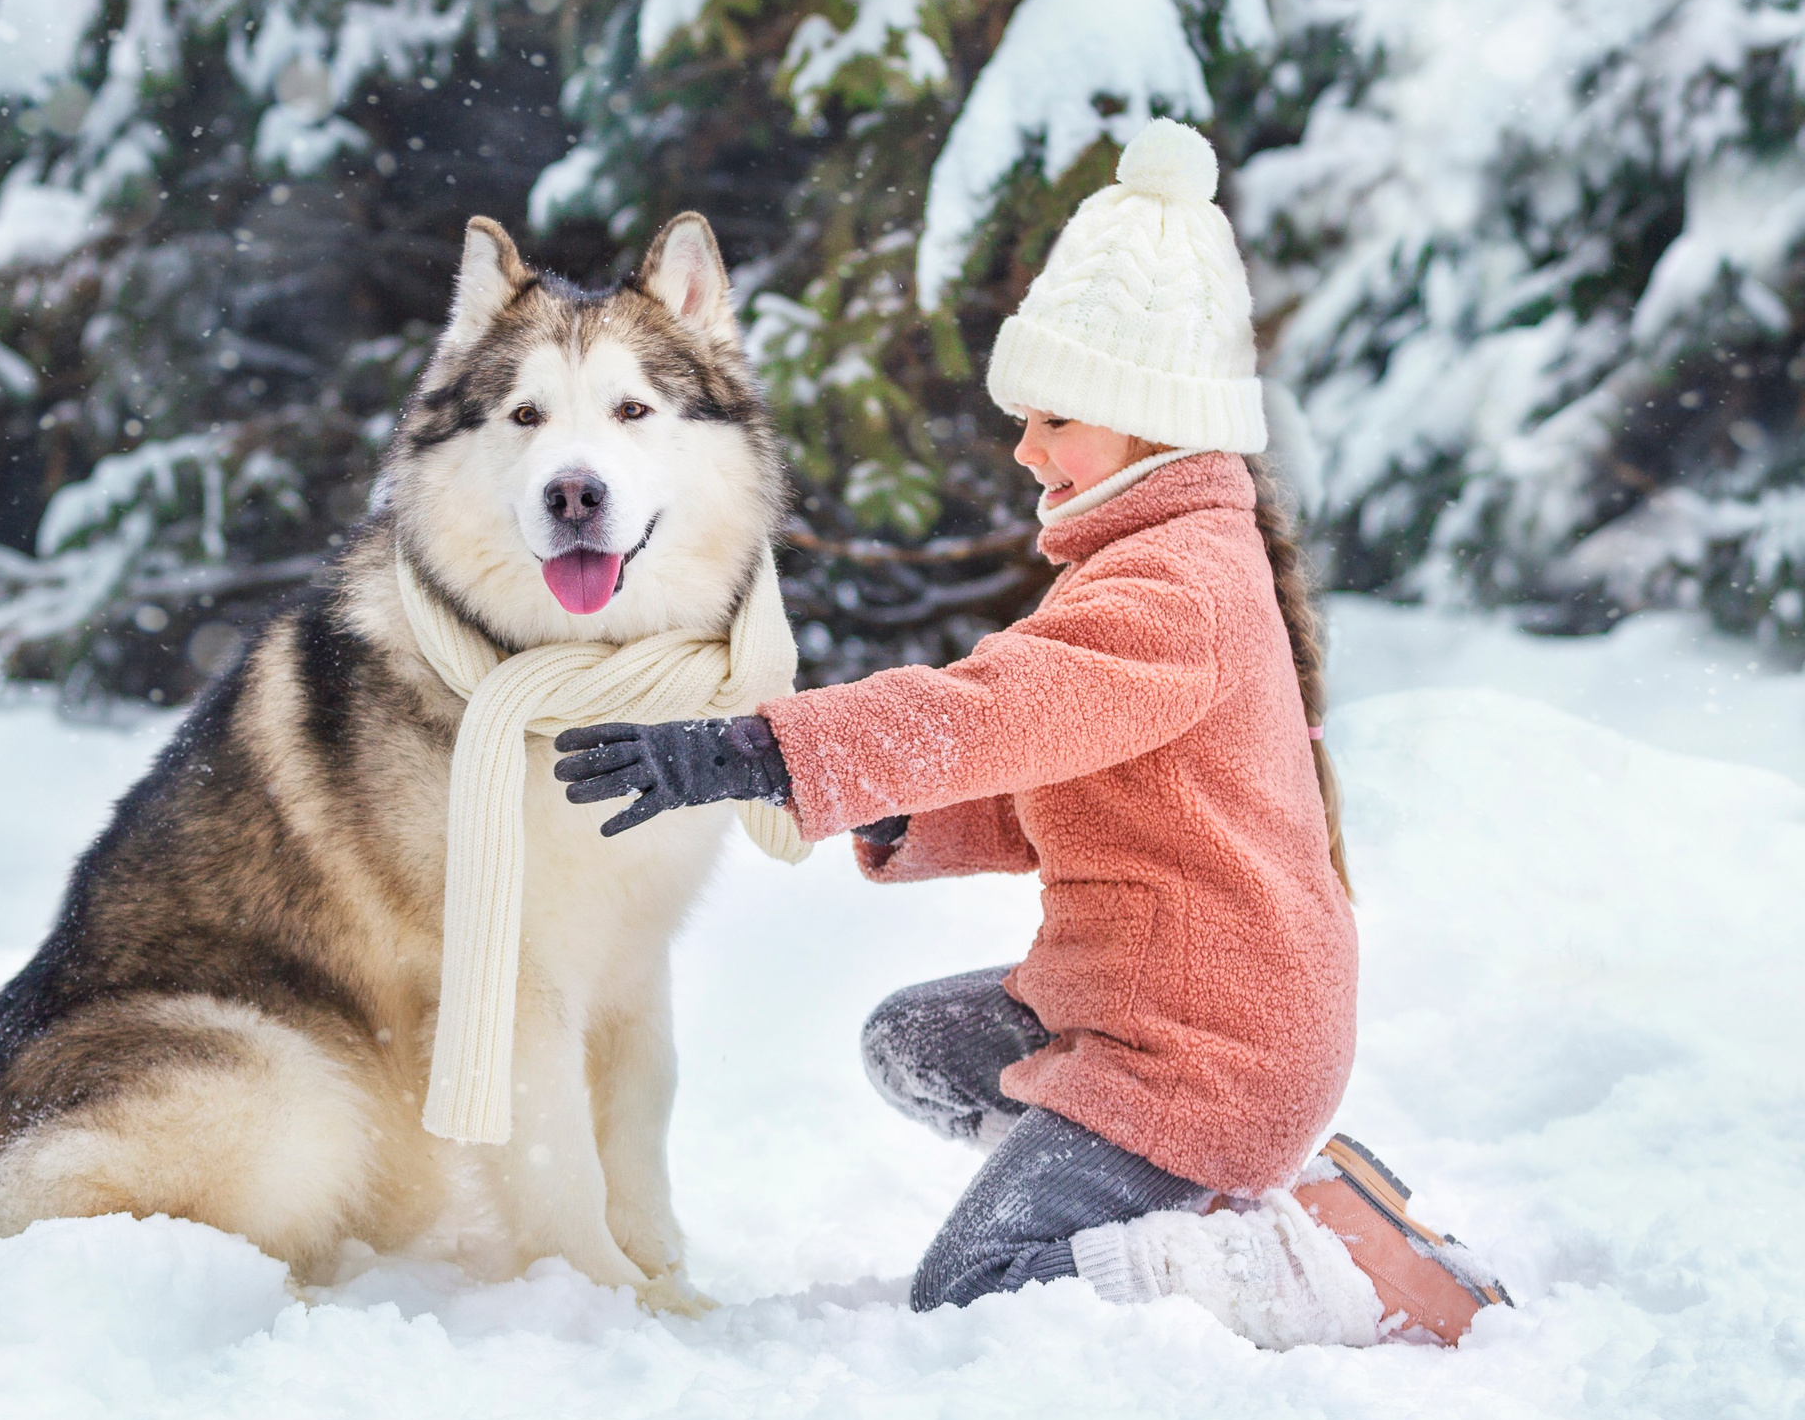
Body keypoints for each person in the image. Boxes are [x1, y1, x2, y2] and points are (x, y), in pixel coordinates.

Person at [552, 120, 1506, 1348]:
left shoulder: (1174, 586)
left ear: (1149, 420)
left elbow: (992, 709)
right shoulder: (1161, 560)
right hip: (1162, 1005)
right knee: (914, 1043)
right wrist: (903, 807)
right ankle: (1136, 1192)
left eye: (1055, 417)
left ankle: (1292, 1258)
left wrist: (764, 751)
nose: (1024, 447)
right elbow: (1072, 771)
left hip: (1206, 1051)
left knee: (980, 1284)